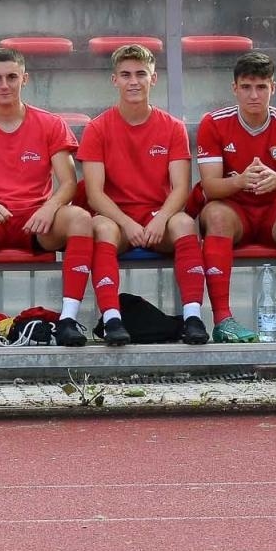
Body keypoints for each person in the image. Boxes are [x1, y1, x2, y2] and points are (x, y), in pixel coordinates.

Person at [0, 48, 95, 347]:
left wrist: (50, 207)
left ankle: (67, 320)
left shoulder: (51, 124)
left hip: (37, 223)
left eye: (12, 77)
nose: (4, 85)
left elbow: (69, 183)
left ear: (24, 79)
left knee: (80, 218)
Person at [195, 52, 276, 341]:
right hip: (235, 213)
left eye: (261, 87)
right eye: (246, 87)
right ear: (235, 88)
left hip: (275, 216)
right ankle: (223, 320)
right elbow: (210, 188)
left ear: (273, 88)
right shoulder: (214, 123)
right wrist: (241, 181)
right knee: (215, 213)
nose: (254, 95)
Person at [78, 44, 206, 347]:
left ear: (153, 78)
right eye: (125, 75)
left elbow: (181, 187)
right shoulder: (97, 128)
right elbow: (94, 194)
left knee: (184, 223)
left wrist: (160, 220)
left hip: (157, 218)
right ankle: (112, 319)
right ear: (115, 80)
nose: (133, 81)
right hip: (117, 219)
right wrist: (127, 223)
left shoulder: (173, 127)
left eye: (140, 74)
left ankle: (193, 318)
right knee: (101, 226)